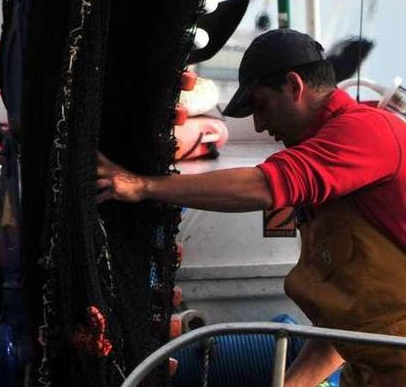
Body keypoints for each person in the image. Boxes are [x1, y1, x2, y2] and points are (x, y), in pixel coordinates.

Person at [96, 29, 406, 386]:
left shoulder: (367, 131)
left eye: (261, 105)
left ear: (293, 86)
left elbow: (263, 186)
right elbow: (345, 330)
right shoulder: (328, 180)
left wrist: (143, 186)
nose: (260, 125)